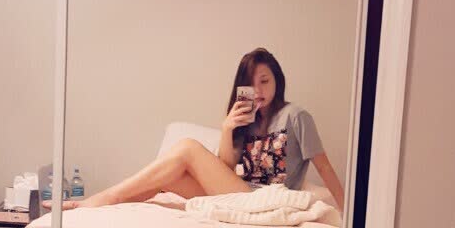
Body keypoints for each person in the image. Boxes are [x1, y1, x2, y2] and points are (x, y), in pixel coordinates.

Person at [49, 47, 344, 212]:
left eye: (265, 81)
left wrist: (347, 214)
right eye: (251, 84)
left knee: (188, 147)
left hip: (267, 200)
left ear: (277, 80)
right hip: (241, 193)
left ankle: (101, 200)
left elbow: (325, 167)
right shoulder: (246, 118)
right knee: (170, 177)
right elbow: (225, 171)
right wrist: (227, 128)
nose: (258, 90)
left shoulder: (296, 116)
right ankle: (101, 204)